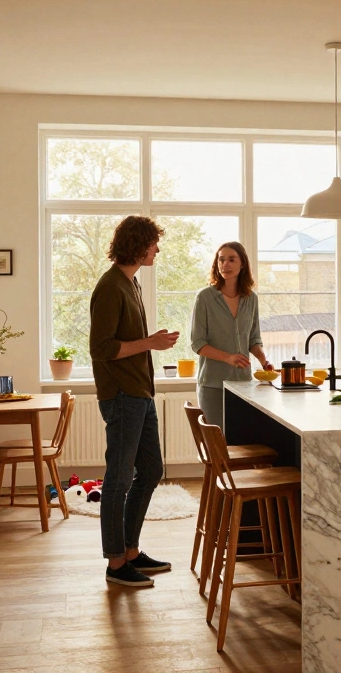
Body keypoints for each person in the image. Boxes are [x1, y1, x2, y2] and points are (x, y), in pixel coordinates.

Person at [90, 215, 180, 588]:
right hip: (122, 396)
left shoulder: (131, 283)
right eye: (153, 243)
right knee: (119, 479)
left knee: (152, 471)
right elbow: (101, 348)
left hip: (140, 393)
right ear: (139, 244)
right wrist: (150, 343)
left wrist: (150, 341)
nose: (157, 249)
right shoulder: (110, 287)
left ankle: (130, 550)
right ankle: (116, 563)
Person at [189, 242, 272, 426]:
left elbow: (253, 339)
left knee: (240, 441)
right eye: (221, 260)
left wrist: (263, 361)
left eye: (231, 260)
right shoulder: (205, 298)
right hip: (212, 384)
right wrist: (228, 357)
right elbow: (198, 343)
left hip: (243, 384)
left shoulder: (251, 299)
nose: (225, 264)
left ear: (242, 264)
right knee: (219, 443)